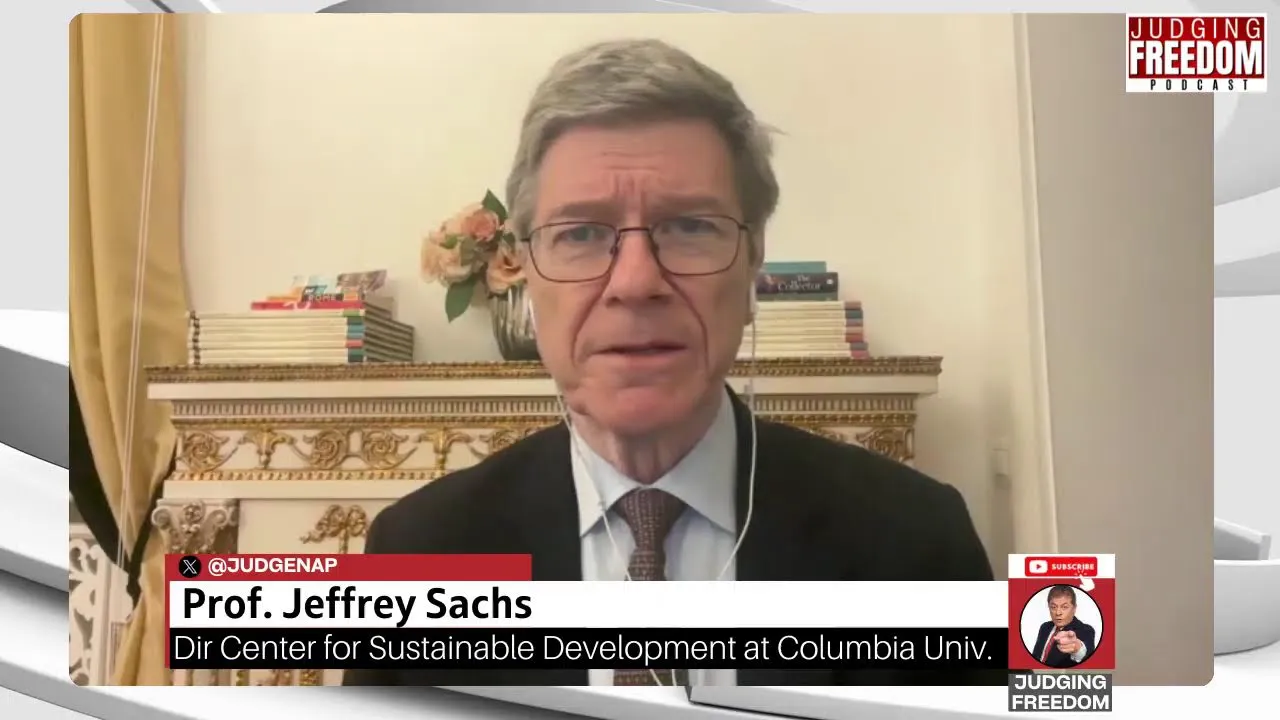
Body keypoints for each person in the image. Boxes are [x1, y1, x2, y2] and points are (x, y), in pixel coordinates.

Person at [345, 38, 994, 687]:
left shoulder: (915, 542)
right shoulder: (418, 553)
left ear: (752, 264)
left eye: (689, 227)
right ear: (527, 271)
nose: (635, 282)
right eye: (581, 234)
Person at [1028, 586, 1098, 669]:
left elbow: (1087, 655)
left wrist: (1077, 649)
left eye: (1064, 607)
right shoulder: (1045, 627)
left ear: (1074, 608)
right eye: (1053, 607)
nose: (1058, 613)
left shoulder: (1086, 630)